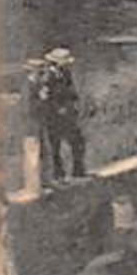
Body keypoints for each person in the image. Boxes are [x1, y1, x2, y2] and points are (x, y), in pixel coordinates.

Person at [40, 48, 87, 182]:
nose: (68, 65)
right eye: (65, 62)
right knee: (55, 146)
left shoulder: (66, 73)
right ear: (57, 63)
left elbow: (71, 91)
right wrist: (58, 109)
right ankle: (58, 174)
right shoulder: (48, 77)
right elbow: (47, 98)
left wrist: (75, 103)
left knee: (78, 141)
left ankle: (78, 170)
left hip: (68, 116)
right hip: (54, 117)